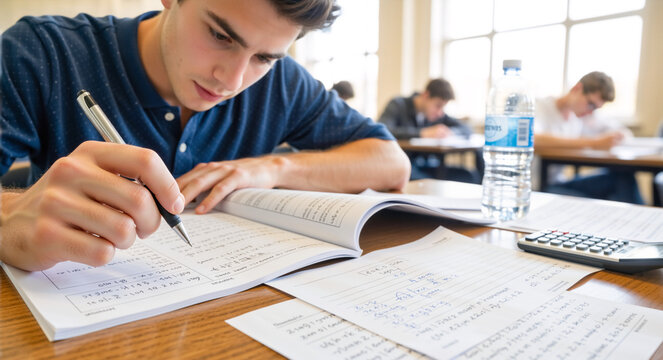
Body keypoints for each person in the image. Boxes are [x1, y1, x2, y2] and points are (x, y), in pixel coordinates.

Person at [0, 0, 411, 271]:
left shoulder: (282, 84)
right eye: (220, 35)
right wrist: (8, 220)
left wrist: (271, 168)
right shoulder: (42, 53)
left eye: (265, 57)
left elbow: (390, 162)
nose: (231, 80)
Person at [534, 71, 643, 204]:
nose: (590, 111)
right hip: (539, 187)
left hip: (559, 182)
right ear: (577, 89)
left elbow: (622, 132)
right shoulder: (539, 107)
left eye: (596, 108)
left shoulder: (577, 119)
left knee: (623, 176)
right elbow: (534, 139)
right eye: (590, 104)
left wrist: (617, 137)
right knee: (602, 202)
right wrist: (594, 143)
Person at [378, 78, 479, 182]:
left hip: (428, 165)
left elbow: (467, 128)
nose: (440, 112)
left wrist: (450, 132)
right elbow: (384, 130)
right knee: (428, 181)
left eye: (443, 107)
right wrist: (422, 133)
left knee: (469, 175)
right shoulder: (398, 105)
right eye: (438, 105)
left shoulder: (438, 115)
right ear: (426, 95)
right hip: (402, 165)